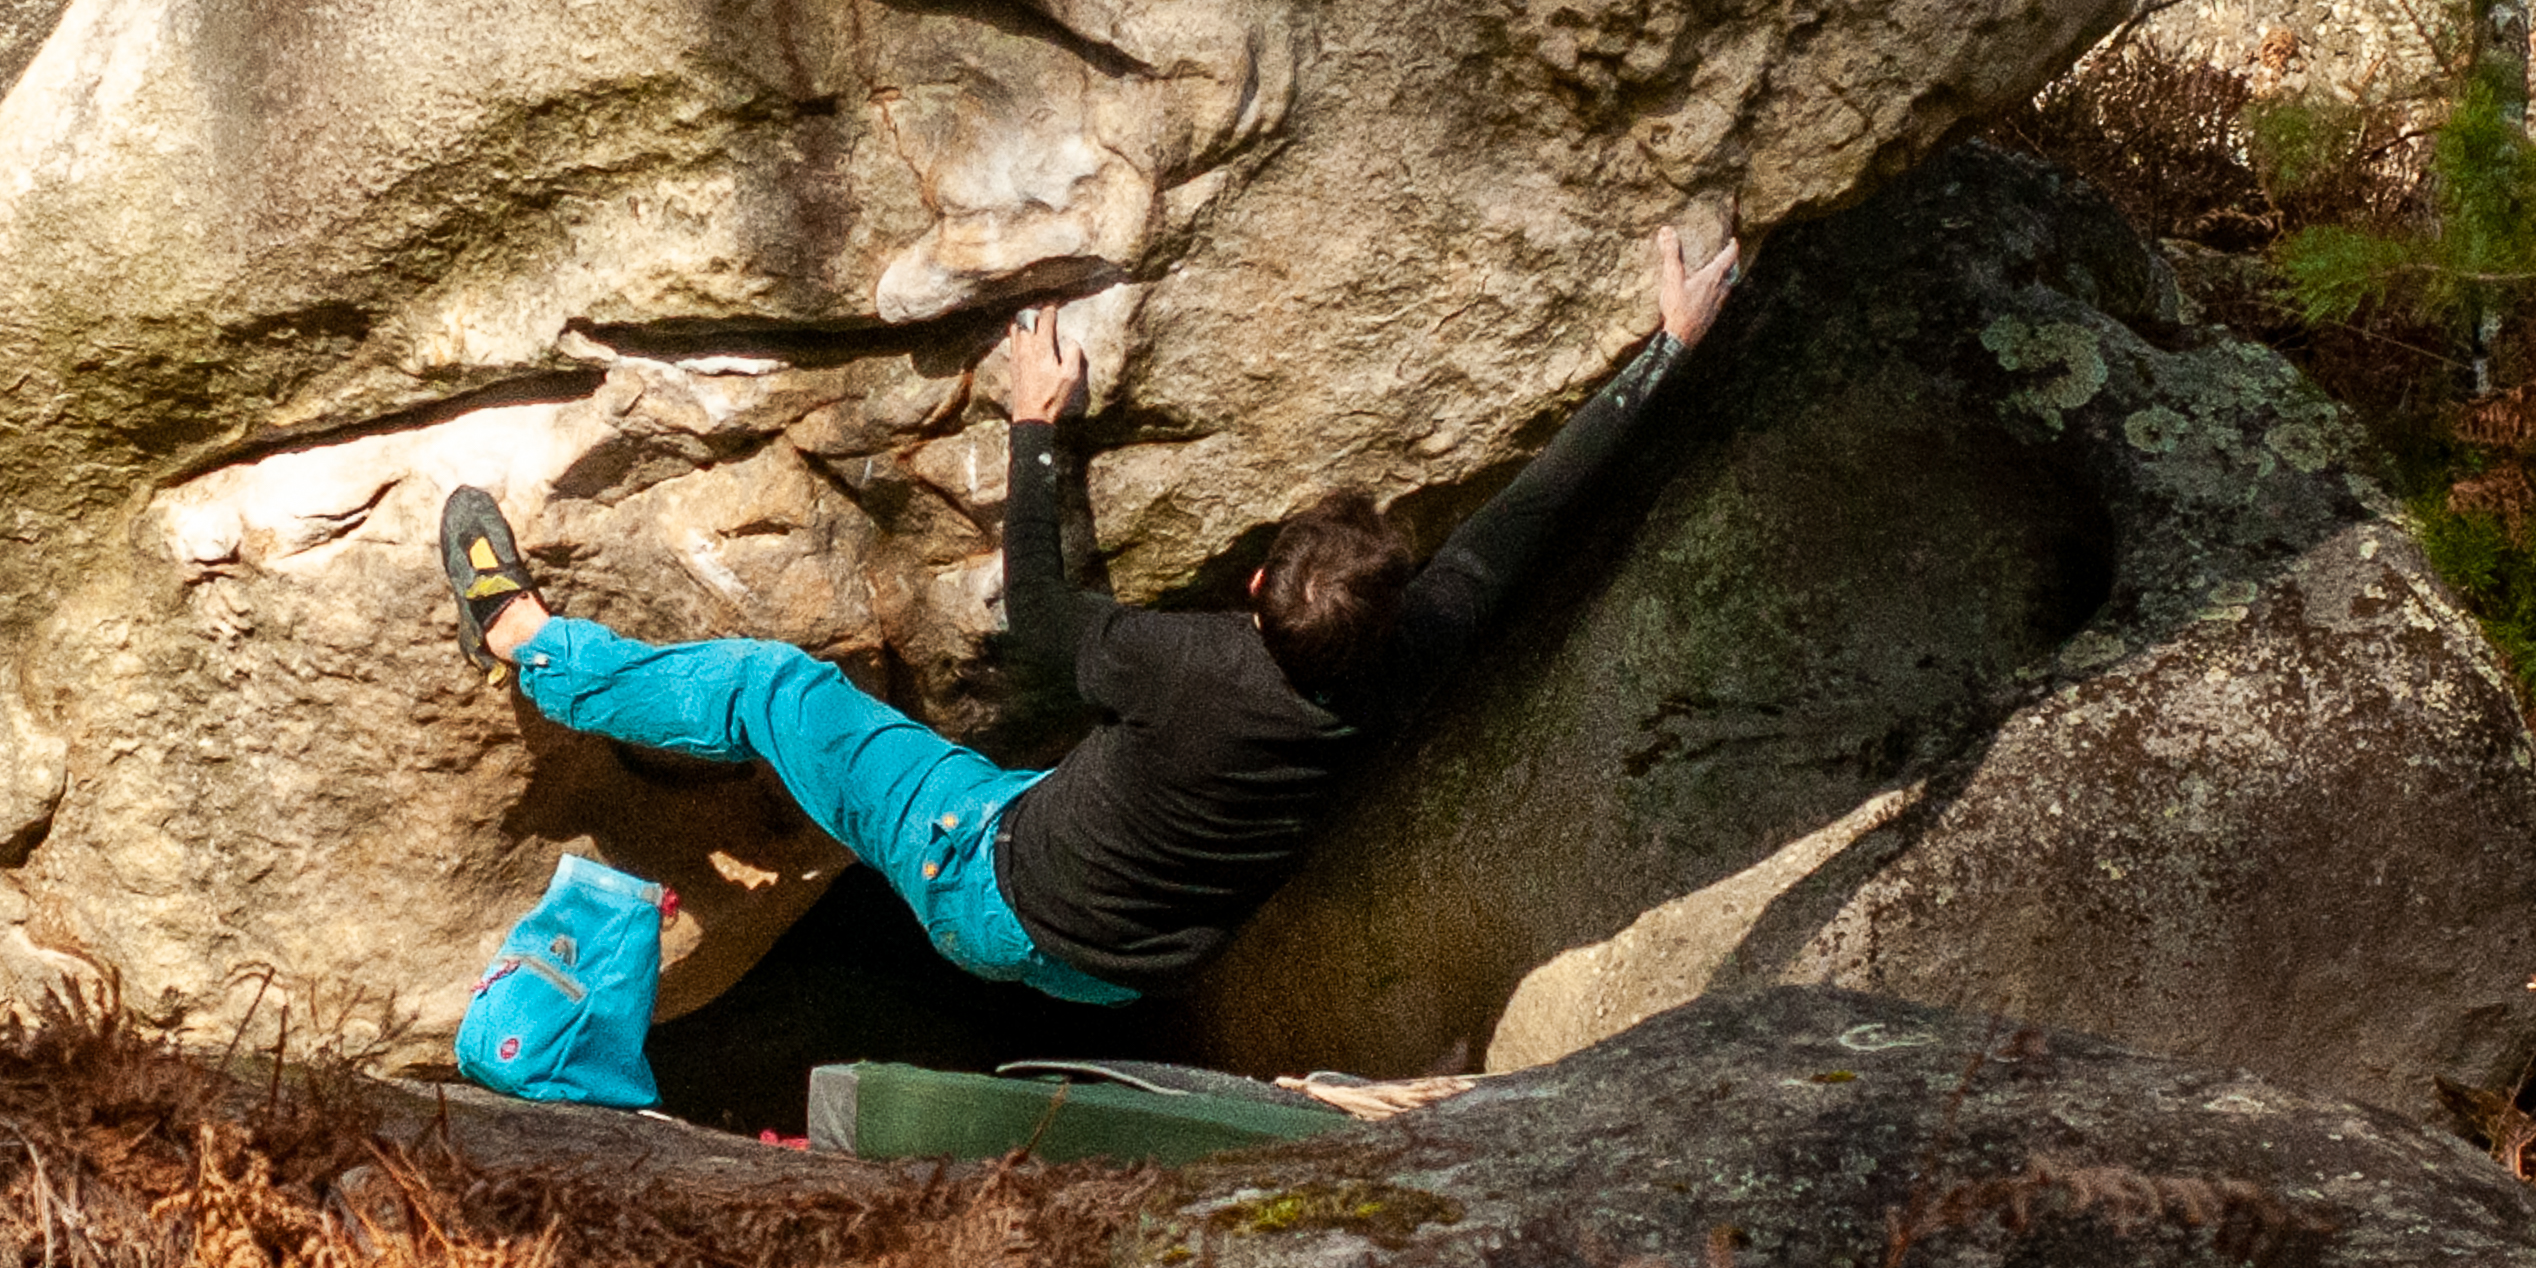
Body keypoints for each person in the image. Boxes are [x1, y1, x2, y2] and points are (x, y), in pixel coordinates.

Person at [435, 205, 1747, 1006]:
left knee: (773, 688)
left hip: (988, 881)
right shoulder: (1414, 657)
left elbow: (1045, 618)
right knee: (1037, 782)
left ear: (1251, 590)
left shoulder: (1191, 667)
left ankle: (528, 648)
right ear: (1397, 612)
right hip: (1122, 971)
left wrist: (1034, 425)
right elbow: (1531, 517)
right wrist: (1672, 352)